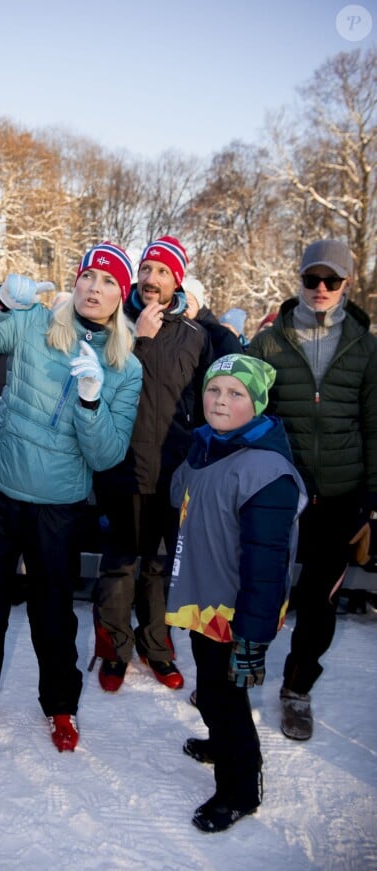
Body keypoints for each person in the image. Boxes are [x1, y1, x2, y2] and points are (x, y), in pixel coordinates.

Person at [0, 242, 142, 751]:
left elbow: (106, 456)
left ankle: (61, 705)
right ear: (75, 282)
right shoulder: (35, 324)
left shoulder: (126, 369)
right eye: (88, 277)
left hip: (58, 504)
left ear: (122, 296)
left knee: (53, 612)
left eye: (109, 282)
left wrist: (92, 402)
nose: (94, 288)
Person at [167, 354, 307, 832]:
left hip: (237, 608)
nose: (220, 401)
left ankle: (240, 788)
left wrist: (254, 633)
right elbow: (180, 496)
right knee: (210, 686)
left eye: (236, 394)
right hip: (204, 599)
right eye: (214, 389)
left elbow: (267, 566)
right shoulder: (207, 445)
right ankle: (218, 740)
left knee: (228, 700)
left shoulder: (266, 471)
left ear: (258, 404)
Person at [248, 238, 377, 741]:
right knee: (258, 584)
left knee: (320, 598)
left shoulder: (365, 347)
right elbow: (244, 412)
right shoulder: (270, 342)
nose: (320, 289)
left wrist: (372, 494)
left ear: (347, 284)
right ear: (298, 280)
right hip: (283, 489)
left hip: (341, 495)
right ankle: (241, 673)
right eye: (311, 279)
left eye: (331, 280)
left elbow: (374, 422)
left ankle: (297, 688)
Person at [91, 236, 213, 693]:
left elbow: (207, 403)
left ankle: (155, 646)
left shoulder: (198, 336)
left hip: (173, 468)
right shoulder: (112, 326)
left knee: (161, 565)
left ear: (177, 279)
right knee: (120, 564)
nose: (151, 278)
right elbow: (104, 386)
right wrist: (139, 338)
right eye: (145, 269)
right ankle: (115, 650)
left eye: (162, 271)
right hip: (122, 465)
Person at [182, 277, 243, 357]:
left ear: (198, 305)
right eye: (179, 302)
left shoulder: (218, 335)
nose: (182, 309)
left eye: (188, 304)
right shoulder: (170, 326)